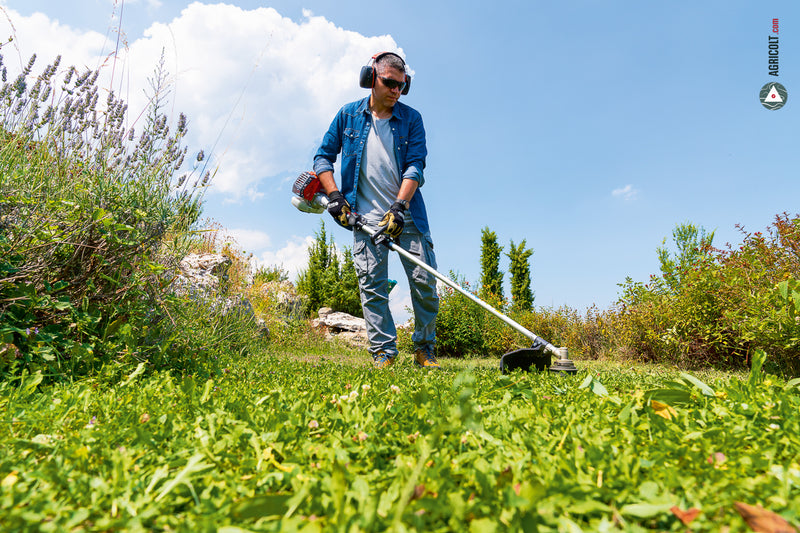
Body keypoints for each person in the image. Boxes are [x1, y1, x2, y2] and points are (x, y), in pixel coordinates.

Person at [313, 51, 440, 369]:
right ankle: (384, 352)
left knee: (425, 283)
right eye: (389, 83)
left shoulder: (412, 119)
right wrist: (334, 197)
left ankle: (424, 349)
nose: (396, 91)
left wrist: (399, 206)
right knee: (372, 285)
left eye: (402, 85)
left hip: (406, 215)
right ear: (371, 79)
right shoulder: (348, 116)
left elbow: (416, 165)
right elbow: (322, 158)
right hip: (364, 216)